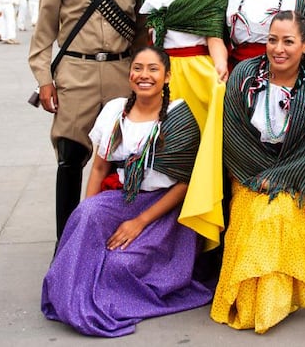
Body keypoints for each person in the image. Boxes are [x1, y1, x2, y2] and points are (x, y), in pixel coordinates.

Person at [41, 46, 214, 337]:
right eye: (138, 68)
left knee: (121, 265)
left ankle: (96, 293)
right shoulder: (114, 110)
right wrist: (89, 220)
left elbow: (184, 185)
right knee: (86, 215)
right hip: (121, 197)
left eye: (153, 69)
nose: (144, 75)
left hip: (162, 210)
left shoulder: (179, 117)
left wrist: (139, 222)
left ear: (167, 77)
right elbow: (98, 169)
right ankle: (70, 297)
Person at [29, 0, 147, 244]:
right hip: (75, 73)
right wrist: (44, 80)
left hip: (120, 73)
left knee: (122, 160)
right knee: (70, 158)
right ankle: (65, 243)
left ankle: (113, 239)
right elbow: (44, 31)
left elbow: (141, 33)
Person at [211, 11, 305, 334]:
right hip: (249, 174)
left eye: (288, 41)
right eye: (272, 40)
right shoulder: (244, 75)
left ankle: (273, 304)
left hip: (296, 180)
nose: (278, 49)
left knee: (278, 213)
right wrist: (257, 175)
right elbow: (234, 135)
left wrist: (281, 176)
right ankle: (251, 301)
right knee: (258, 216)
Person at [139, 0, 228, 252]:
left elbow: (214, 35)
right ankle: (156, 241)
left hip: (195, 74)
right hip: (157, 72)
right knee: (157, 155)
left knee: (194, 156)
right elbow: (147, 30)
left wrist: (220, 66)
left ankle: (197, 243)